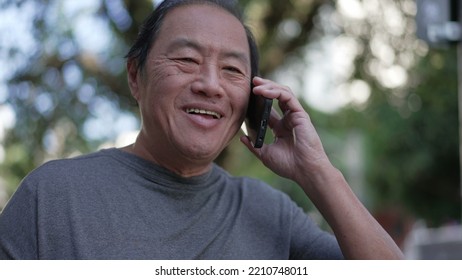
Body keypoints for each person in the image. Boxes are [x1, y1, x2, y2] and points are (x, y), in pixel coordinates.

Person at [0, 0, 403, 260]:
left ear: (253, 98)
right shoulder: (51, 197)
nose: (210, 84)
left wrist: (317, 173)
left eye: (231, 70)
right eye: (187, 60)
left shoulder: (272, 214)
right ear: (136, 77)